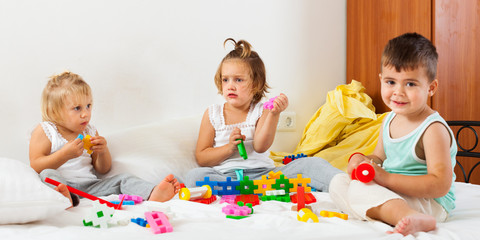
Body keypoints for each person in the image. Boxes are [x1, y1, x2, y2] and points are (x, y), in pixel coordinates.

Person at [329, 33, 457, 236]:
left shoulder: (432, 129)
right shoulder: (389, 119)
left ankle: (406, 216)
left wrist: (386, 178)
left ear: (431, 88)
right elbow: (378, 157)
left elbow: (440, 185)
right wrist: (362, 159)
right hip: (395, 192)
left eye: (411, 84)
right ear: (381, 80)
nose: (398, 92)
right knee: (338, 182)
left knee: (361, 191)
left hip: (429, 202)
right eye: (391, 82)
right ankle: (390, 211)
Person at [185, 38, 342, 191]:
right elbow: (202, 157)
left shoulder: (262, 111)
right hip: (226, 177)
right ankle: (249, 189)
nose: (230, 86)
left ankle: (346, 184)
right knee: (194, 176)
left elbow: (260, 147)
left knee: (311, 165)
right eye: (225, 80)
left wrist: (274, 114)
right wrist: (229, 148)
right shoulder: (213, 114)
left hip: (264, 176)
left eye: (238, 80)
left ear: (255, 84)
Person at [29, 71, 180, 206]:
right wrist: (64, 154)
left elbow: (103, 168)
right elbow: (36, 165)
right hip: (64, 185)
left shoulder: (90, 130)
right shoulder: (47, 130)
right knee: (47, 175)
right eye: (77, 108)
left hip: (91, 187)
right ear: (54, 111)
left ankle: (152, 193)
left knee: (123, 179)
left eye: (88, 106)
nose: (85, 114)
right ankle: (64, 199)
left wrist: (102, 151)